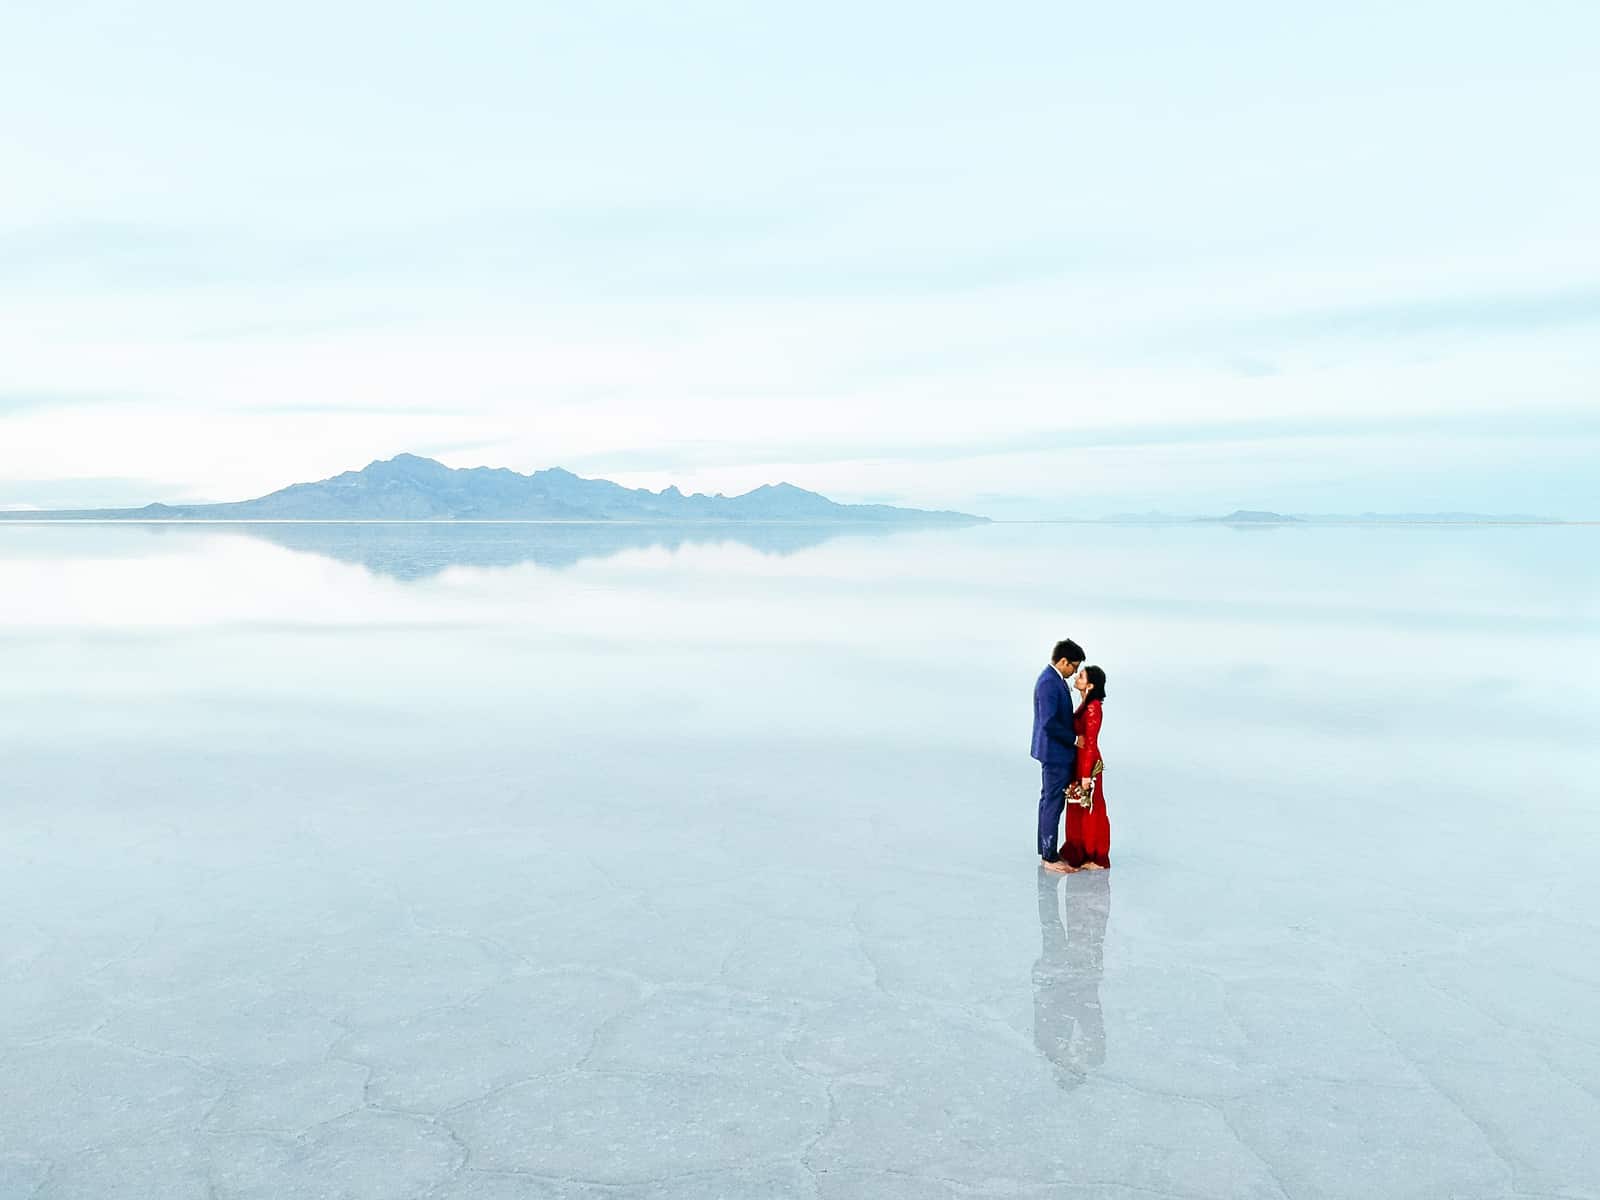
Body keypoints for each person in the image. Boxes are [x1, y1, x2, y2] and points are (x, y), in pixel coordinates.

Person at [1031, 639, 1083, 872]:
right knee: (1052, 802)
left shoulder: (1054, 680)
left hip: (1055, 752)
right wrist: (1074, 739)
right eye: (1073, 666)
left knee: (1049, 801)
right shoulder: (1049, 683)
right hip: (1055, 753)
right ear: (1063, 661)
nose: (1074, 672)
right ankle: (1049, 856)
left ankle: (1047, 850)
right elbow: (1049, 722)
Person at [1061, 665, 1110, 870]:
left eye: (1081, 676)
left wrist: (1086, 776)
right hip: (1080, 759)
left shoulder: (1093, 708)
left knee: (1089, 806)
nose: (1077, 676)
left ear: (1089, 685)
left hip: (1088, 763)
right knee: (1077, 805)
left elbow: (1090, 742)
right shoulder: (1085, 704)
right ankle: (1079, 850)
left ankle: (1093, 854)